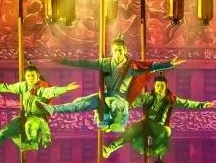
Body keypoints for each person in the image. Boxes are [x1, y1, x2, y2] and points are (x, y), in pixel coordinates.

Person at [51, 33, 182, 132]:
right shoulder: (105, 63)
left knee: (118, 106)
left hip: (120, 98)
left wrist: (169, 64)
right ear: (112, 52)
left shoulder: (131, 66)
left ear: (125, 51)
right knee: (81, 102)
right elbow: (84, 63)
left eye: (120, 50)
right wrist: (63, 61)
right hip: (106, 96)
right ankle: (52, 109)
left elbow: (150, 67)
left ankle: (117, 123)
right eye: (115, 50)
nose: (118, 53)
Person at [0, 64, 79, 158]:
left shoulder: (41, 87)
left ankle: (32, 143)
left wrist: (65, 88)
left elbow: (51, 91)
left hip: (37, 118)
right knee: (4, 132)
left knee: (30, 126)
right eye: (28, 76)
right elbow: (5, 87)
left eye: (33, 75)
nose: (31, 78)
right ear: (25, 76)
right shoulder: (23, 86)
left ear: (37, 75)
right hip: (24, 116)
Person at [102, 75, 213, 159]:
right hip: (147, 124)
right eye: (158, 86)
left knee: (166, 132)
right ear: (154, 86)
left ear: (166, 87)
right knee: (131, 131)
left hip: (159, 127)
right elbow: (135, 102)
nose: (160, 88)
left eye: (162, 86)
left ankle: (152, 150)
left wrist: (202, 105)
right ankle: (110, 149)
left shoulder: (171, 99)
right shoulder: (149, 96)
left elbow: (187, 103)